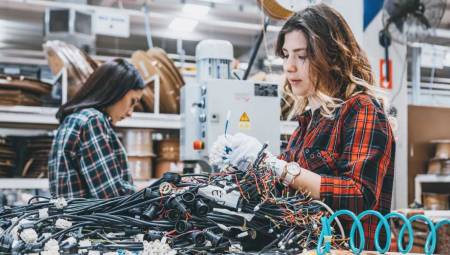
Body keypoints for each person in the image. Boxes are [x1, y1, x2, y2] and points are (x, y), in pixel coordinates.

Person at [210, 4, 395, 250]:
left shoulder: (362, 110)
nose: (289, 66)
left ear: (331, 56)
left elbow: (359, 195)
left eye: (302, 56)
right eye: (286, 55)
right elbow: (282, 189)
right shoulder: (309, 123)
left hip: (346, 248)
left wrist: (274, 165)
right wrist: (242, 166)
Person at [48, 59, 145, 199]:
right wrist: (153, 194)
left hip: (75, 219)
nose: (131, 112)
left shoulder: (75, 119)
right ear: (115, 90)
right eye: (132, 101)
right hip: (93, 220)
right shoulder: (92, 121)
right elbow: (111, 196)